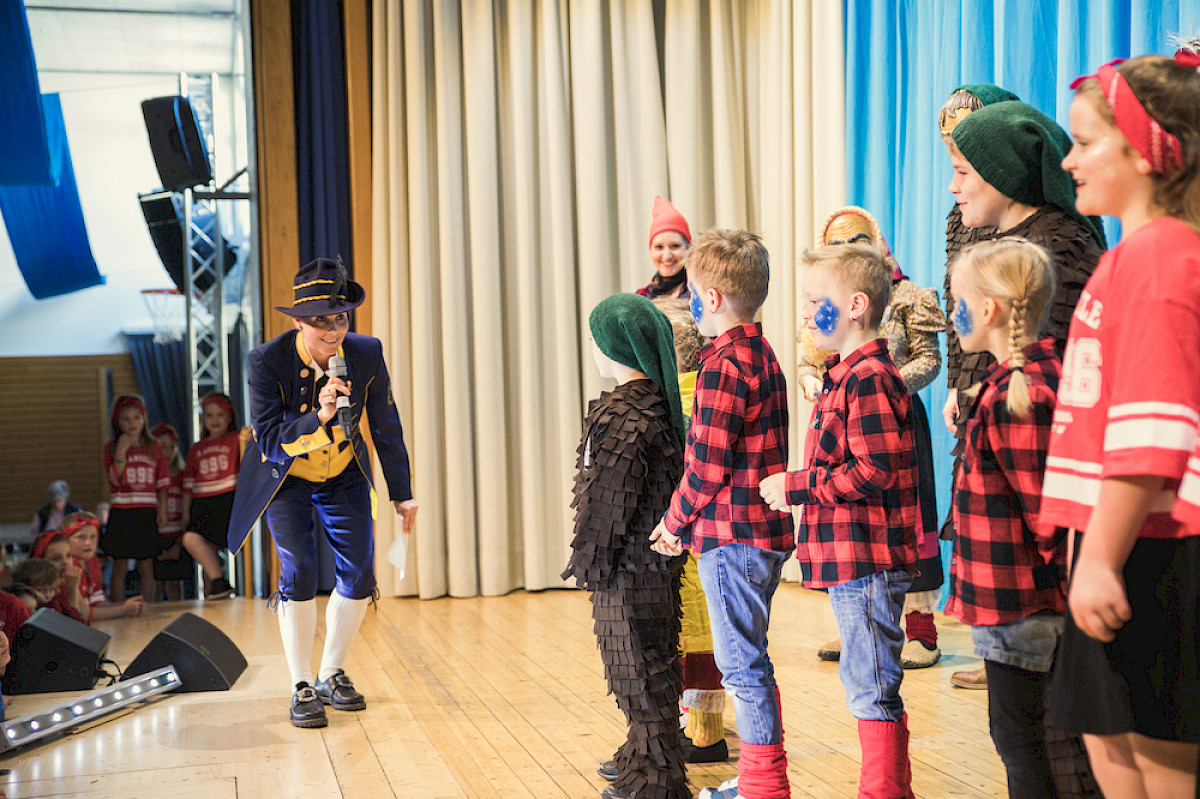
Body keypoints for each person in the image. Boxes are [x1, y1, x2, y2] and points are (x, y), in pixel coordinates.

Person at [1040, 51, 1200, 799]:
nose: (1069, 161)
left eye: (1085, 142)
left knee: (1160, 758)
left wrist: (1101, 559)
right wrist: (1088, 553)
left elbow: (1151, 433)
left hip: (1155, 549)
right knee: (1110, 745)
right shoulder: (1130, 256)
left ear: (1145, 152)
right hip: (1116, 543)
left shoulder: (1165, 258)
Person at [943, 98, 1105, 692]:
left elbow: (1048, 370)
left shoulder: (1059, 246)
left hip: (1038, 558)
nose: (954, 188)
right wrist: (965, 388)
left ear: (1004, 175)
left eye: (963, 173)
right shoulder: (998, 237)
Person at [228, 257, 418, 729]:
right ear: (298, 322)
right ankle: (301, 683)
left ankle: (331, 671)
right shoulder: (266, 360)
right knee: (299, 571)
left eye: (341, 319)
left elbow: (386, 422)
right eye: (320, 322)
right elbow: (269, 441)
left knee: (359, 571)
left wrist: (402, 492)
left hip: (344, 470)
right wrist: (320, 416)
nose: (333, 331)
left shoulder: (367, 352)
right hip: (286, 475)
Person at [761, 241, 918, 798]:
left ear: (854, 305)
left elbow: (874, 469)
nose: (805, 313)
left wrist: (797, 486)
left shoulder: (868, 377)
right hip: (854, 558)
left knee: (870, 682)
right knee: (866, 677)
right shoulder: (845, 374)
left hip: (868, 558)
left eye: (814, 301)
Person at [650, 228, 794, 799]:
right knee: (750, 660)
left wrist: (673, 523)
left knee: (741, 667)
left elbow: (706, 466)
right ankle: (761, 777)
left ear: (709, 298)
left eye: (691, 291)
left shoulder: (723, 366)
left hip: (732, 538)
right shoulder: (763, 354)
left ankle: (763, 785)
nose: (688, 300)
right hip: (761, 535)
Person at [944, 238, 1069, 797]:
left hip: (1025, 604)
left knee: (1023, 743)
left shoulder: (1020, 398)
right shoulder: (1011, 385)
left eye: (958, 304)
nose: (954, 316)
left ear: (989, 309)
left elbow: (1048, 515)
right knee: (1023, 739)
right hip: (1017, 605)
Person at [799, 206, 946, 670]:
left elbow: (929, 359)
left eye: (857, 240)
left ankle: (920, 628)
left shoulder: (907, 297)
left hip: (893, 414)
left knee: (907, 518)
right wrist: (811, 378)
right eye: (836, 243)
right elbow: (809, 358)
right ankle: (859, 623)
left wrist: (885, 385)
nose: (848, 250)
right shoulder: (827, 302)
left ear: (876, 241)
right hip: (841, 411)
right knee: (849, 522)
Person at [565, 293, 689, 799]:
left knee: (638, 667)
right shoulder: (654, 403)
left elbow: (609, 499)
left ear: (616, 347)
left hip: (628, 565)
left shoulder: (623, 412)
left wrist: (589, 560)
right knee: (647, 659)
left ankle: (658, 779)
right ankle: (643, 752)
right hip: (651, 563)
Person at [650, 297, 730, 764]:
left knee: (694, 634)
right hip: (706, 535)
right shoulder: (704, 391)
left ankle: (704, 735)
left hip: (684, 533)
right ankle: (700, 726)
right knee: (703, 634)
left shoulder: (675, 402)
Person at [103, 395, 169, 603]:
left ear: (143, 419)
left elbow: (162, 482)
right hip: (122, 511)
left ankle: (146, 608)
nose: (132, 423)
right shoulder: (111, 447)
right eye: (126, 419)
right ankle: (119, 608)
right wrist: (121, 452)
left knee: (146, 565)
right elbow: (115, 480)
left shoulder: (154, 446)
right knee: (120, 565)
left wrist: (163, 510)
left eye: (136, 417)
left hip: (146, 510)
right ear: (117, 421)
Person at [181, 394, 242, 600]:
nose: (215, 420)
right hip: (201, 502)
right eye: (209, 415)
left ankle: (218, 586)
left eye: (220, 415)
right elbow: (188, 484)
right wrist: (185, 511)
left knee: (214, 545)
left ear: (230, 417)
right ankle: (217, 586)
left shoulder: (237, 439)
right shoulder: (196, 448)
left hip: (228, 499)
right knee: (192, 539)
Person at [59, 513, 144, 620]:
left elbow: (96, 603)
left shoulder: (92, 561)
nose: (88, 542)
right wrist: (123, 609)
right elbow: (82, 613)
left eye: (93, 536)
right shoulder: (68, 566)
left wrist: (129, 605)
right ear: (65, 540)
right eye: (81, 537)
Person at [152, 423, 191, 601]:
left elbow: (188, 512)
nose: (167, 452)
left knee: (175, 585)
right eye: (162, 447)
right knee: (155, 585)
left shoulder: (182, 476)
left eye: (171, 447)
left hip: (176, 536)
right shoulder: (150, 477)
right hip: (156, 536)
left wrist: (178, 545)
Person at [636, 196, 692, 300]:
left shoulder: (700, 294)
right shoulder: (640, 298)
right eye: (659, 247)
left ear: (688, 248)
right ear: (650, 250)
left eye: (675, 246)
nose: (667, 256)